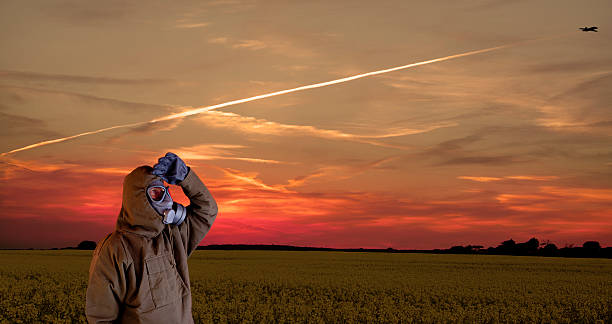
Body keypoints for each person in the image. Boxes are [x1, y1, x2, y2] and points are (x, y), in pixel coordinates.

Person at [85, 152, 218, 323]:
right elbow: (101, 318)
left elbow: (207, 211)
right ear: (138, 199)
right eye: (157, 193)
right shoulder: (115, 249)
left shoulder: (173, 236)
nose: (167, 200)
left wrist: (186, 178)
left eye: (166, 191)